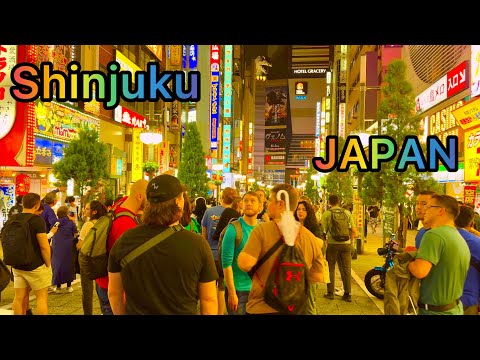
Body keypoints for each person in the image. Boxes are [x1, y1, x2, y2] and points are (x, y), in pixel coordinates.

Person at [108, 174, 218, 315]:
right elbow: (209, 299)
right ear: (178, 202)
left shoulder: (125, 240)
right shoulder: (197, 244)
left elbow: (114, 293)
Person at [237, 183, 325, 315]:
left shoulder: (262, 230)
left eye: (271, 200)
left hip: (261, 306)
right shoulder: (310, 237)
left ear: (280, 204)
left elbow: (245, 264)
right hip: (295, 309)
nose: (267, 203)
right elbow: (317, 276)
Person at [408, 194, 470, 315]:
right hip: (454, 308)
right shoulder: (458, 237)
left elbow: (420, 271)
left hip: (434, 311)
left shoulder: (434, 235)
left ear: (441, 211)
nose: (424, 210)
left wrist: (408, 262)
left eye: (429, 206)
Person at [95, 179, 147, 315]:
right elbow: (126, 265)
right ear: (140, 196)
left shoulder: (119, 205)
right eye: (150, 198)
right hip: (112, 287)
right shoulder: (126, 224)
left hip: (103, 282)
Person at [4, 193, 52, 315]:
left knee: (19, 298)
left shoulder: (12, 219)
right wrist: (48, 264)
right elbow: (44, 246)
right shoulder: (37, 220)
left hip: (17, 265)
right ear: (36, 206)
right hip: (35, 266)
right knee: (41, 298)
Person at [222, 191, 261, 315]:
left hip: (258, 292)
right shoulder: (234, 229)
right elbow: (226, 264)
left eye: (252, 201)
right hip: (238, 290)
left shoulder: (262, 229)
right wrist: (232, 293)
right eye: (246, 201)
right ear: (241, 205)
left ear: (260, 207)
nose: (248, 203)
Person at [201, 186, 238, 315]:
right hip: (225, 256)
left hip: (209, 254)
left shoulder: (209, 212)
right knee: (222, 287)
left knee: (209, 287)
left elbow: (203, 235)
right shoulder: (235, 215)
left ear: (222, 196)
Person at [321, 194, 358, 302]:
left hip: (332, 245)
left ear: (329, 202)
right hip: (346, 245)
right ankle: (348, 294)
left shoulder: (327, 214)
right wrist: (351, 242)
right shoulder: (347, 213)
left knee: (331, 269)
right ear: (339, 201)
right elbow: (354, 230)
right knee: (346, 269)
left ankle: (330, 293)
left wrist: (325, 242)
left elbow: (323, 231)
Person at [76, 200, 108, 315]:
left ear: (94, 212)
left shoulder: (88, 225)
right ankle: (103, 310)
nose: (85, 210)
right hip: (101, 258)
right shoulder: (103, 223)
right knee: (100, 288)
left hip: (87, 260)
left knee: (87, 291)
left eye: (88, 208)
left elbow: (80, 245)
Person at [294, 199, 325, 314]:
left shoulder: (314, 227)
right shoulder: (292, 226)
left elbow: (320, 244)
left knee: (309, 305)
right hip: (294, 270)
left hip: (309, 271)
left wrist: (304, 235)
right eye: (298, 209)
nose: (300, 212)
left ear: (309, 212)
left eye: (304, 209)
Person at [454, 205, 480, 315]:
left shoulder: (439, 237)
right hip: (469, 299)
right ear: (471, 223)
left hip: (440, 301)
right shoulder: (477, 243)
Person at [51, 205, 78, 293]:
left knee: (58, 265)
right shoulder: (71, 223)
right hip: (68, 246)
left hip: (57, 247)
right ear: (67, 213)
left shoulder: (56, 222)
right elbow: (75, 233)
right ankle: (69, 286)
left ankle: (58, 287)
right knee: (68, 264)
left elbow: (52, 232)